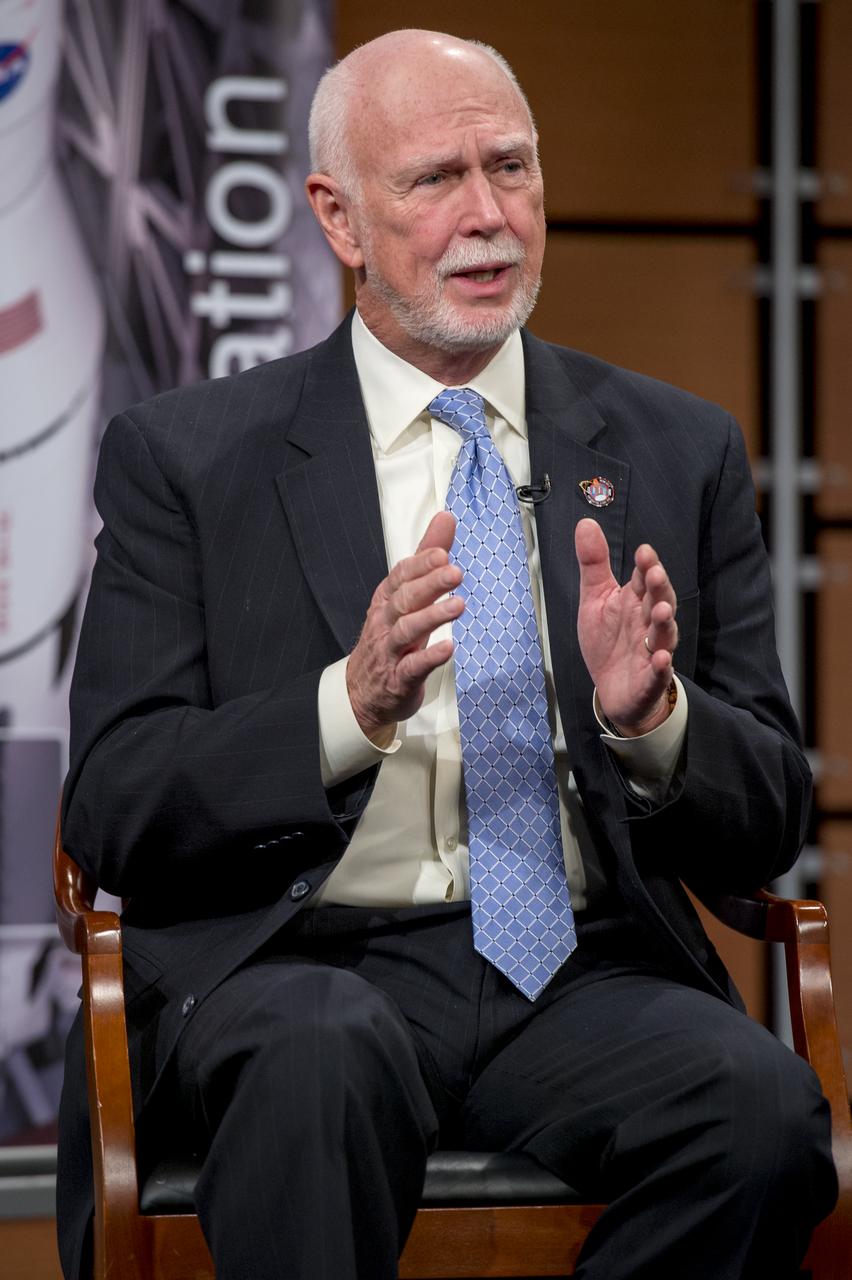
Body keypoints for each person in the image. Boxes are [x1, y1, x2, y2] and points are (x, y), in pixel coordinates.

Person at [57, 28, 837, 1280]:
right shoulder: (191, 459)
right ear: (339, 217)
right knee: (321, 1060)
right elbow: (115, 796)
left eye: (513, 168)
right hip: (302, 962)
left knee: (759, 1114)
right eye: (436, 179)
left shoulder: (676, 448)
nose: (491, 216)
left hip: (582, 972)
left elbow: (770, 819)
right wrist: (344, 706)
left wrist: (656, 723)